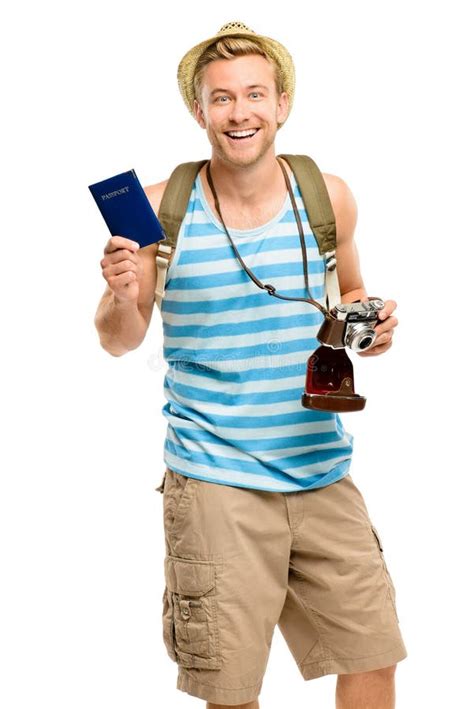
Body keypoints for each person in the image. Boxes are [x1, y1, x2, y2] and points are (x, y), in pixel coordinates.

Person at [94, 21, 407, 709]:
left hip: (321, 468)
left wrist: (371, 324)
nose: (241, 113)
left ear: (282, 102)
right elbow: (119, 338)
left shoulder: (327, 195)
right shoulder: (153, 209)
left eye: (255, 94)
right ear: (198, 110)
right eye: (223, 98)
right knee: (232, 690)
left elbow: (349, 290)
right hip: (215, 483)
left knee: (374, 655)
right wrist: (122, 295)